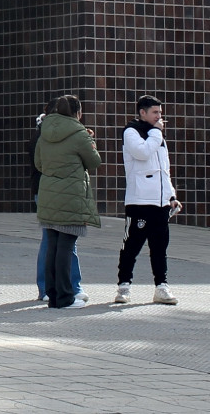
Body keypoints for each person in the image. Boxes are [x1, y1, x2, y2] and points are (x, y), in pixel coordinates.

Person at [34, 94, 101, 309]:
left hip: (48, 194)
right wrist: (90, 141)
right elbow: (94, 162)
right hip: (71, 196)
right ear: (77, 112)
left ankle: (52, 295)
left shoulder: (44, 131)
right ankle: (65, 297)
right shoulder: (79, 134)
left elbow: (39, 163)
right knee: (66, 246)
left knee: (52, 246)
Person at [115, 94, 181, 305]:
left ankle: (161, 286)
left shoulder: (157, 136)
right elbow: (142, 153)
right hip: (139, 200)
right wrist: (156, 132)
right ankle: (124, 286)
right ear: (142, 112)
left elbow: (164, 169)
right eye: (154, 112)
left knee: (160, 246)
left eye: (160, 113)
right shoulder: (132, 132)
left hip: (160, 202)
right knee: (132, 245)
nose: (159, 116)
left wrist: (171, 195)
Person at [29, 98, 85, 302]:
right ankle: (59, 288)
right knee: (58, 241)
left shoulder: (45, 132)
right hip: (55, 191)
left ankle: (58, 288)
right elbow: (91, 159)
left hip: (49, 190)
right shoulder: (54, 134)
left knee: (57, 240)